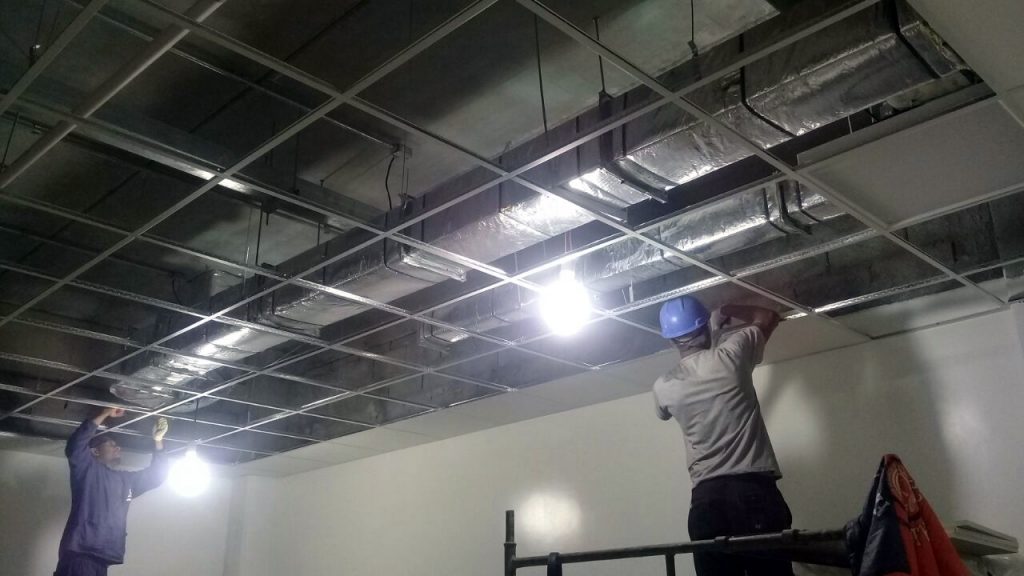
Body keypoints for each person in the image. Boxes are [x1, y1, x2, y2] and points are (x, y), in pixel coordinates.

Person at [653, 296, 791, 576]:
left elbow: (663, 413)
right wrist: (727, 309)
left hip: (705, 501)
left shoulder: (663, 386)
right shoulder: (731, 356)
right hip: (752, 491)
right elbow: (767, 317)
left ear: (671, 341)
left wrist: (711, 333)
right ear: (705, 327)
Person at [55, 407, 170, 576]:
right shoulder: (87, 470)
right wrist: (103, 414)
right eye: (111, 445)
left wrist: (158, 441)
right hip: (80, 555)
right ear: (95, 451)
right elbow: (75, 446)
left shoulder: (125, 481)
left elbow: (156, 476)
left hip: (102, 558)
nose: (118, 448)